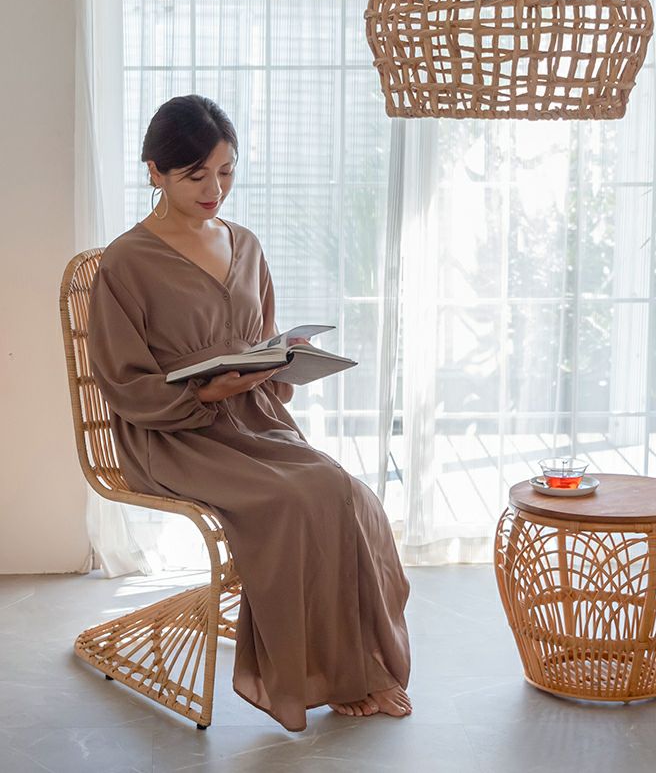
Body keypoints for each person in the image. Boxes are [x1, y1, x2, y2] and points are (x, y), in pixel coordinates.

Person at [87, 94, 412, 732]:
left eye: (226, 171)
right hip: (174, 433)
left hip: (254, 423)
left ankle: (357, 664)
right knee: (297, 499)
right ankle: (324, 676)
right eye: (196, 175)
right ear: (155, 171)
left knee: (350, 494)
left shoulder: (246, 244)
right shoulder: (126, 261)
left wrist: (282, 360)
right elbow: (121, 381)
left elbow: (259, 344)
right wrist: (203, 396)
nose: (215, 189)